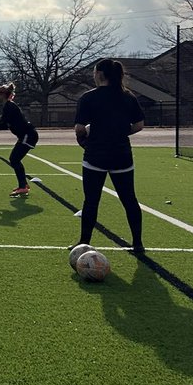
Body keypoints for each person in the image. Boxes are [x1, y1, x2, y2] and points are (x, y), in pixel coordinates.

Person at [74, 58, 145, 253]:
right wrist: (120, 132)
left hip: (95, 155)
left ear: (100, 74)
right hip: (121, 155)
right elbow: (139, 125)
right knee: (129, 199)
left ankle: (83, 243)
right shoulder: (128, 97)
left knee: (91, 201)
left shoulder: (88, 98)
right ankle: (137, 243)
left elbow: (80, 128)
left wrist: (88, 135)